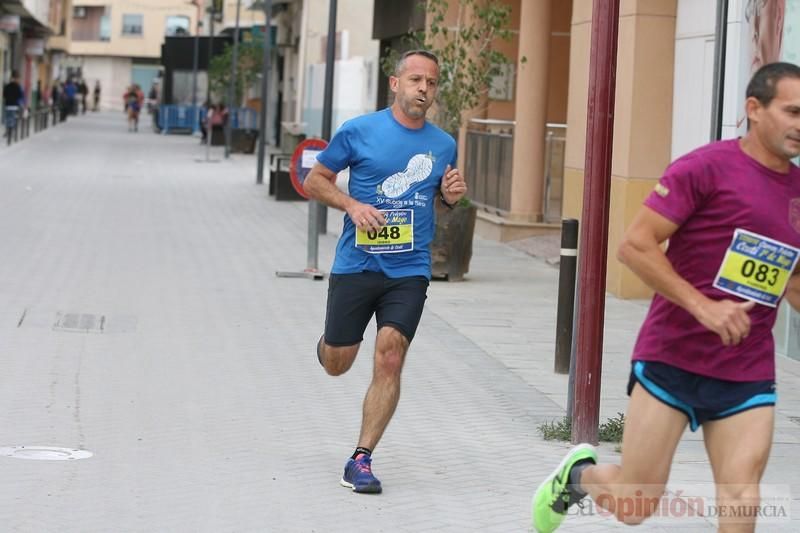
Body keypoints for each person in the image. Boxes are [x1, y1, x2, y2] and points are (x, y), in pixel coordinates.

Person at [531, 61, 800, 532]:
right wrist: (704, 306)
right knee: (636, 506)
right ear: (754, 109)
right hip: (673, 359)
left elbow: (792, 279)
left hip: (746, 368)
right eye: (792, 111)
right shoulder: (707, 167)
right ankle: (578, 477)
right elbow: (635, 245)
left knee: (741, 499)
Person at [303, 49, 467, 494]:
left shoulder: (443, 144)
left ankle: (361, 458)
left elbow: (442, 198)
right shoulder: (358, 131)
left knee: (390, 355)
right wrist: (352, 205)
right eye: (416, 80)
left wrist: (451, 195)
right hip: (357, 263)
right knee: (339, 363)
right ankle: (328, 346)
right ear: (395, 83)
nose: (424, 90)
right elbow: (314, 180)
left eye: (431, 83)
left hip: (409, 268)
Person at [2, 70, 24, 140]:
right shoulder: (18, 86)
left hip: (7, 105)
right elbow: (20, 96)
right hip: (14, 106)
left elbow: (4, 95)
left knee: (8, 119)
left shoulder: (7, 86)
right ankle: (12, 132)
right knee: (13, 119)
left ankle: (8, 131)